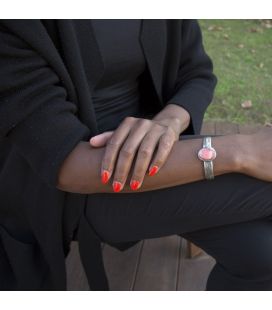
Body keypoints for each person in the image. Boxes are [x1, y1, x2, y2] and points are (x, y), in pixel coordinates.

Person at [0, 19, 271, 291]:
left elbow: (197, 71)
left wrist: (169, 121)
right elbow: (66, 164)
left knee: (261, 258)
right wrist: (238, 152)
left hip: (160, 151)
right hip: (65, 186)